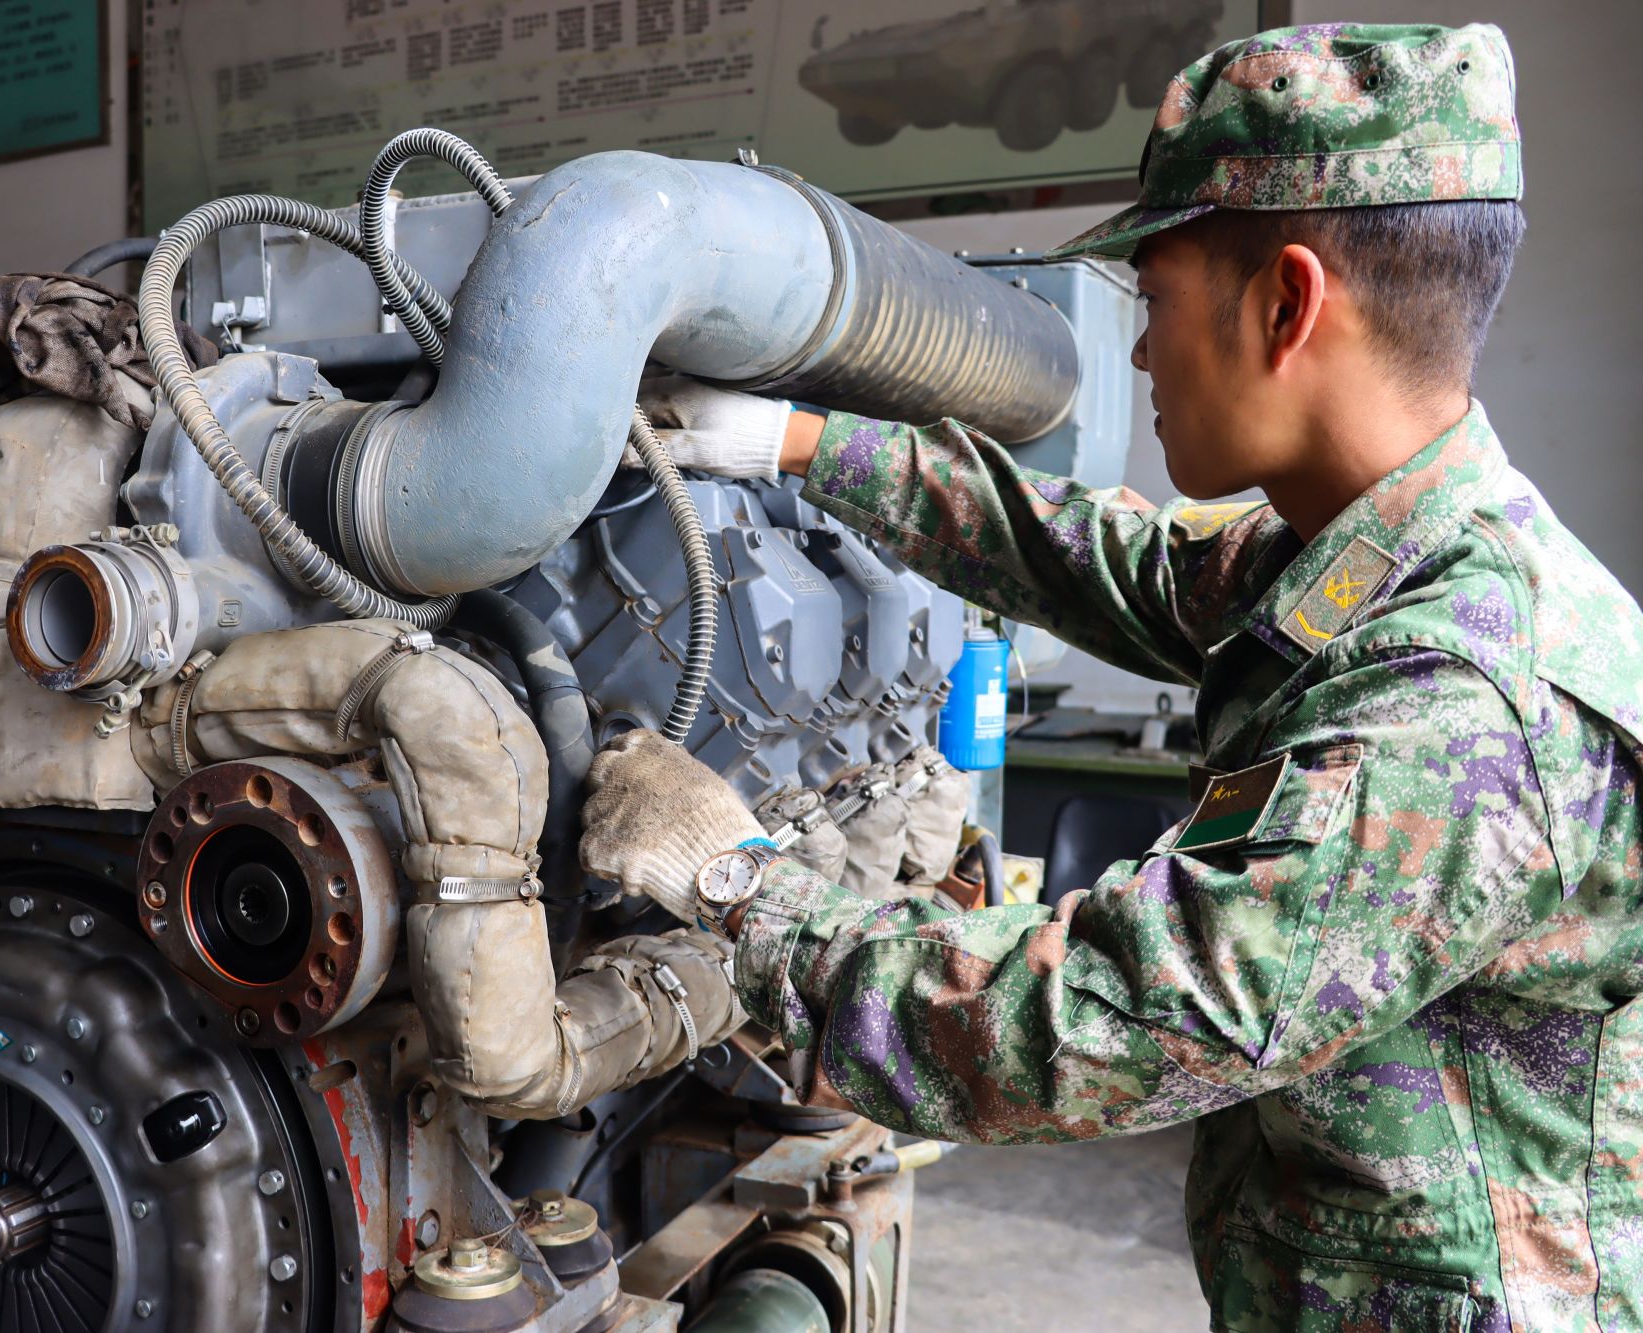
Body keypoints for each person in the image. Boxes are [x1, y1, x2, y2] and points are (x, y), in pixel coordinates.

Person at [579, 22, 1643, 1331]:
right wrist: (796, 444)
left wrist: (737, 884)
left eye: (1154, 300)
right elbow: (1116, 563)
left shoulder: (1463, 701)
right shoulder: (1366, 554)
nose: (1140, 354)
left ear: (1288, 304)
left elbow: (1101, 1024)